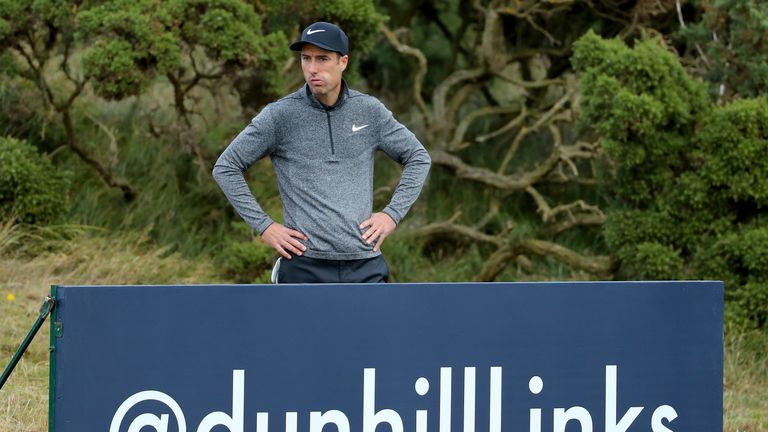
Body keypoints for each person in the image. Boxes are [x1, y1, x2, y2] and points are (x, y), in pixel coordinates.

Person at [212, 21, 431, 284]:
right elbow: (226, 167)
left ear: (343, 62)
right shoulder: (279, 115)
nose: (313, 69)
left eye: (323, 59)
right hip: (304, 266)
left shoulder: (370, 111)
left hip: (365, 263)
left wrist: (391, 215)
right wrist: (265, 227)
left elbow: (418, 157)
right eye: (306, 59)